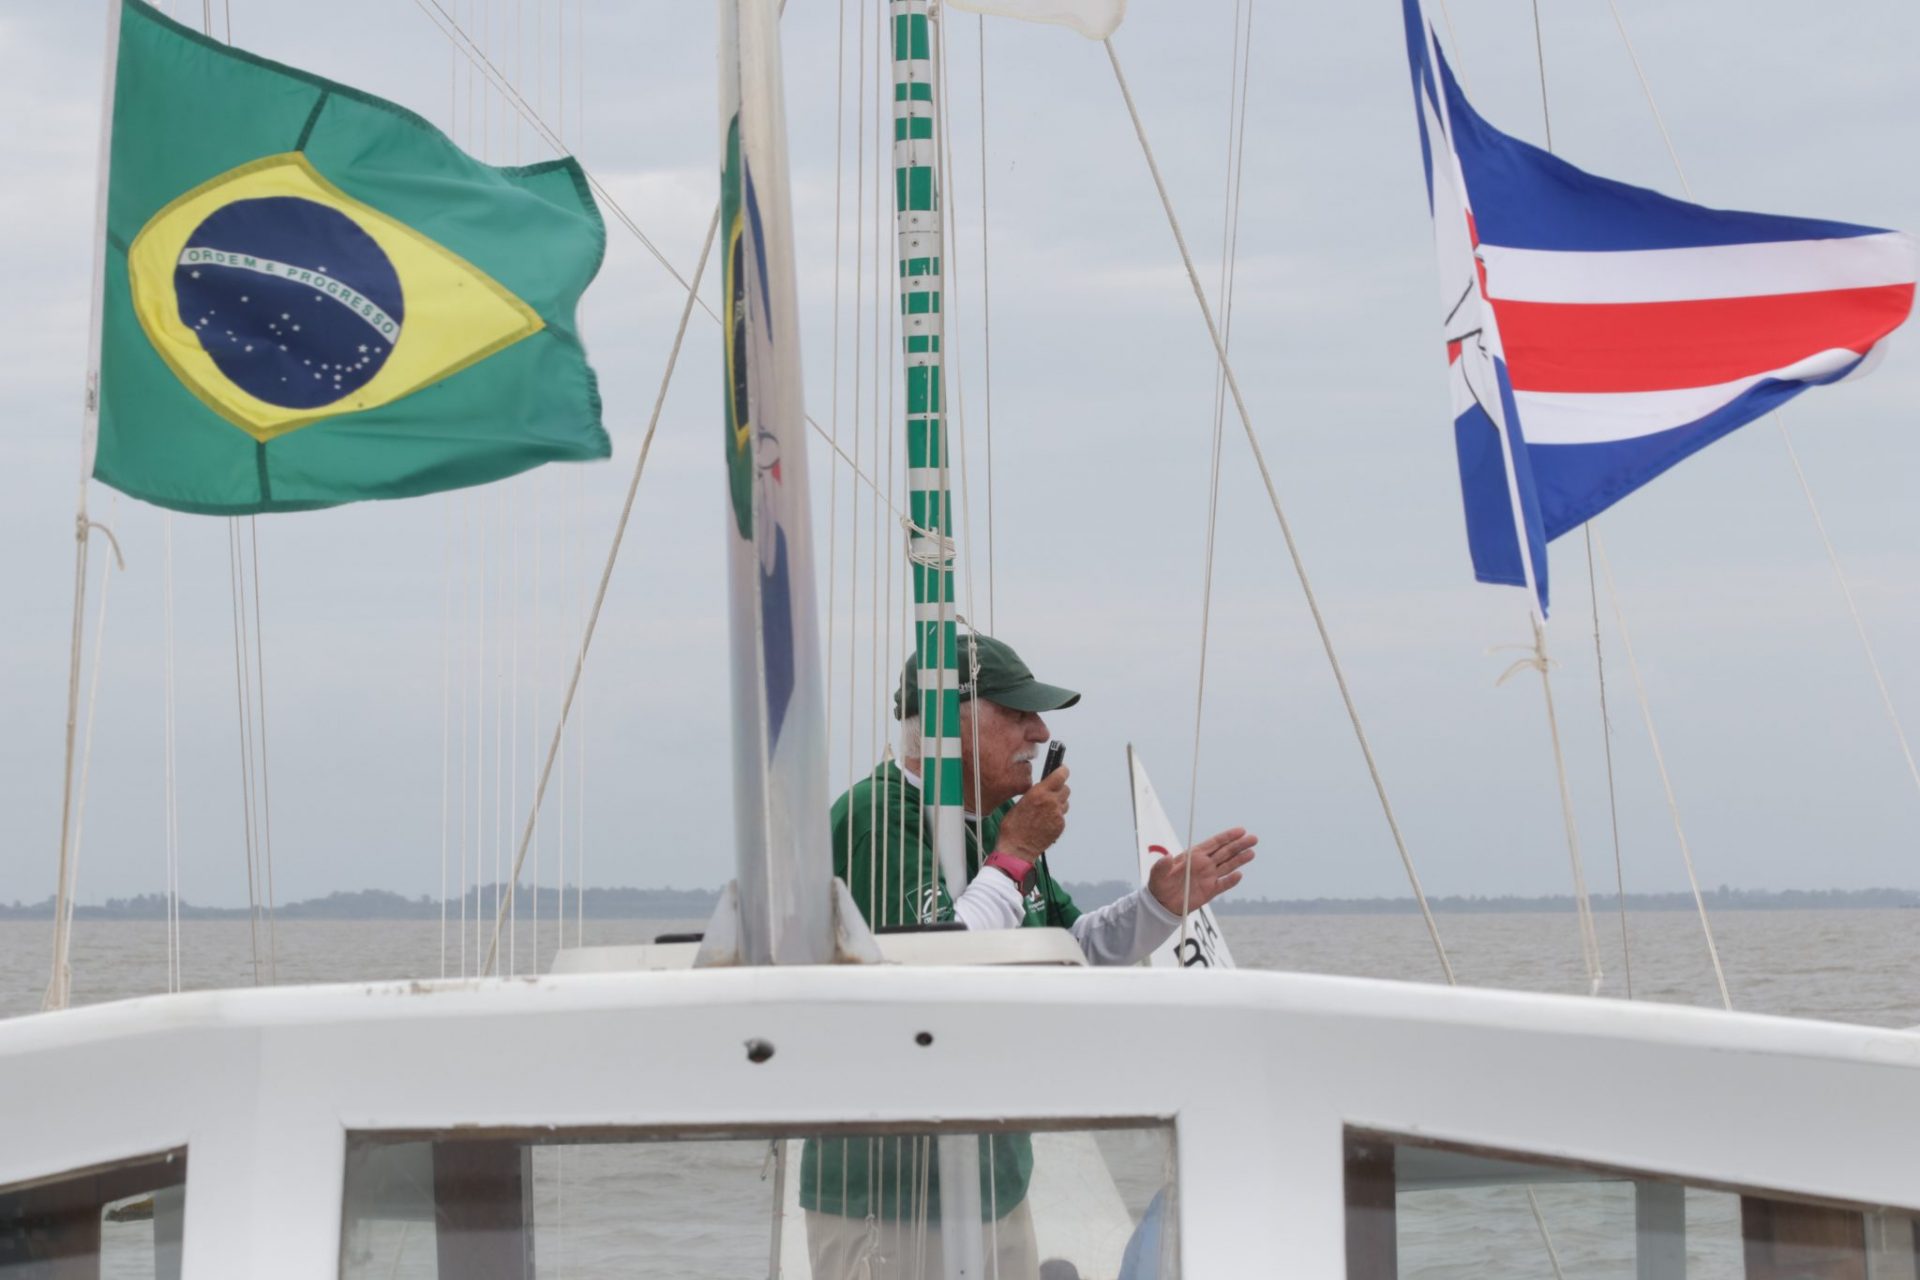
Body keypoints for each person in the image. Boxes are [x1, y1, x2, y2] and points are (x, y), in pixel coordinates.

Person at [800, 630, 1258, 1279]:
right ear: (947, 726)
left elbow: (1072, 950)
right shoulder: (878, 818)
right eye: (1018, 714)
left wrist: (1157, 905)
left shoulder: (998, 823)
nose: (1040, 733)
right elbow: (936, 968)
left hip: (995, 1181)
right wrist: (1014, 854)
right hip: (891, 1197)